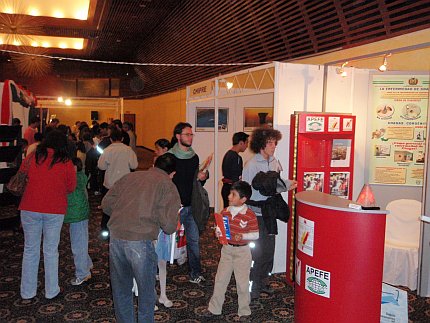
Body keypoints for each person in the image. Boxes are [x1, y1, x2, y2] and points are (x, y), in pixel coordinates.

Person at [101, 153, 181, 323]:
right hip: (141, 240)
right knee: (146, 293)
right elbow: (168, 226)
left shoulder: (130, 176)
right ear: (172, 173)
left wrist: (125, 212)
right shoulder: (167, 185)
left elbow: (106, 204)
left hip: (116, 236)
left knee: (121, 289)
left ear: (154, 164)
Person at [19, 130, 77, 299]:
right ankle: (51, 290)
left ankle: (27, 291)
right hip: (54, 208)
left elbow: (24, 174)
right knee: (51, 250)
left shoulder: (33, 156)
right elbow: (71, 187)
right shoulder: (65, 161)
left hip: (30, 206)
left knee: (30, 249)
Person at [242, 127, 297, 300]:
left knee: (269, 250)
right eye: (270, 143)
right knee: (258, 251)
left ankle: (263, 280)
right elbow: (247, 190)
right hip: (256, 214)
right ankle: (253, 286)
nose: (274, 146)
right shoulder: (251, 165)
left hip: (270, 212)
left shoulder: (274, 162)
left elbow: (277, 184)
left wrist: (288, 184)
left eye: (275, 142)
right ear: (261, 145)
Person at [204, 181, 259, 320]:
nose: (229, 196)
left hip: (242, 252)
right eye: (230, 193)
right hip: (227, 250)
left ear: (243, 199)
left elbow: (256, 234)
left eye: (233, 195)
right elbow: (220, 228)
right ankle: (214, 308)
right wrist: (218, 232)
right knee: (220, 279)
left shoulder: (249, 214)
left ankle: (244, 311)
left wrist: (243, 236)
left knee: (242, 283)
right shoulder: (225, 211)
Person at [169, 122, 208, 284]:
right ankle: (157, 270)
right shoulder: (169, 157)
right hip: (173, 207)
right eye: (187, 134)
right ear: (178, 136)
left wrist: (202, 178)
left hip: (190, 205)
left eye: (191, 134)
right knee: (165, 241)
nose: (190, 137)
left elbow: (194, 182)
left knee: (193, 240)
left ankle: (195, 272)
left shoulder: (194, 157)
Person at [98, 128, 138, 232]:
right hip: (125, 183)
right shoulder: (128, 149)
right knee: (124, 206)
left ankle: (105, 229)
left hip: (110, 183)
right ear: (123, 138)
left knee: (108, 207)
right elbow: (134, 165)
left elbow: (101, 166)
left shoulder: (107, 150)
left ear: (111, 139)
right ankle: (123, 227)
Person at [64, 157, 93, 286]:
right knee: (81, 241)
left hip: (76, 213)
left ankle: (82, 273)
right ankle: (87, 264)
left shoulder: (73, 179)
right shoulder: (81, 176)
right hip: (81, 212)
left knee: (78, 245)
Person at [221, 132, 249, 208]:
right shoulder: (236, 157)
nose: (247, 146)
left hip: (226, 188)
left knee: (228, 212)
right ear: (241, 143)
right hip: (232, 190)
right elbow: (236, 177)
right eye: (246, 143)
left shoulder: (228, 154)